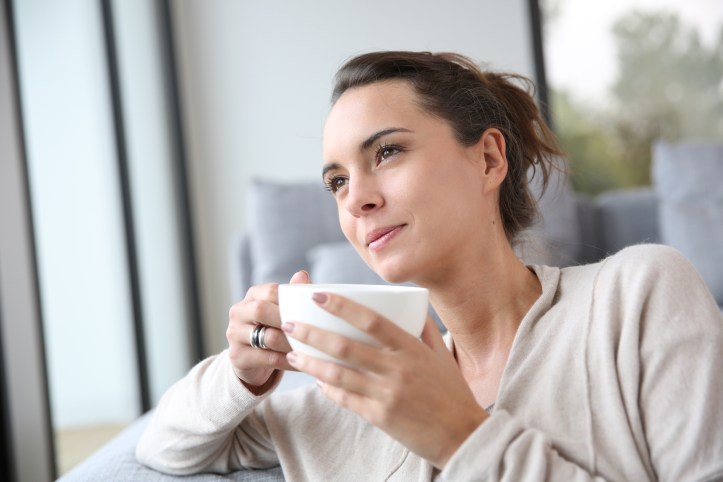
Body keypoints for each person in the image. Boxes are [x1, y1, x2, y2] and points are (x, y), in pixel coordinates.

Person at [136, 51, 723, 481]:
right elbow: (165, 445)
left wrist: (460, 436)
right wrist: (239, 372)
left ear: (489, 159)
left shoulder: (637, 297)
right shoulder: (352, 391)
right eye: (337, 181)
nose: (355, 199)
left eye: (386, 152)